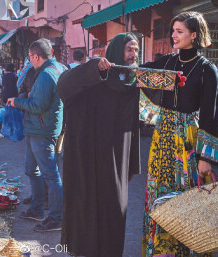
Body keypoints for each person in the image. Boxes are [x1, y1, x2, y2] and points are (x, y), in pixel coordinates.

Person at [140, 12, 218, 256]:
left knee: (186, 197)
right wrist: (109, 68)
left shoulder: (207, 70)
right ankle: (161, 250)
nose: (173, 35)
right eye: (173, 30)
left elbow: (211, 114)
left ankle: (183, 249)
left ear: (194, 35)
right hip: (162, 138)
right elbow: (138, 76)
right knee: (158, 191)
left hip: (189, 142)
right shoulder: (167, 62)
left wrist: (205, 158)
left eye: (179, 31)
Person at [57, 32, 141, 257]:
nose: (133, 54)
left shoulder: (133, 83)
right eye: (129, 49)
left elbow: (134, 126)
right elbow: (63, 87)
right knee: (87, 208)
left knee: (114, 210)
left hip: (116, 160)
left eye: (136, 50)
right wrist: (93, 68)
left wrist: (132, 161)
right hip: (88, 155)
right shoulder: (95, 76)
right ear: (115, 51)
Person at [7, 38, 65, 232]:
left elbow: (38, 106)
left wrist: (17, 102)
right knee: (32, 169)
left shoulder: (47, 75)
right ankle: (37, 208)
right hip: (40, 128)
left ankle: (56, 218)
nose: (29, 61)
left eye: (30, 57)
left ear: (36, 56)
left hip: (42, 130)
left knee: (51, 175)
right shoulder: (57, 68)